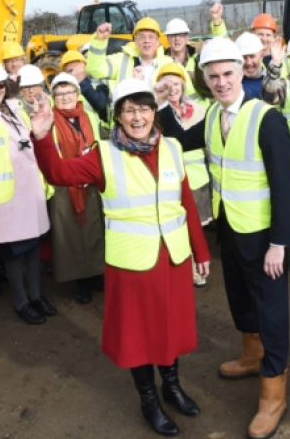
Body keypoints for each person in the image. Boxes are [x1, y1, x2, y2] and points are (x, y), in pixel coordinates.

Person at [30, 79, 210, 437]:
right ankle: (149, 401)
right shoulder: (104, 154)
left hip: (172, 258)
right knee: (139, 335)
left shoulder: (172, 147)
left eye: (143, 108)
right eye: (129, 110)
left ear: (154, 112)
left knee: (170, 327)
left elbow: (185, 201)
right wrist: (41, 136)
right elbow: (59, 174)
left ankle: (171, 386)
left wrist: (200, 249)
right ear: (118, 116)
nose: (137, 116)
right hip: (132, 264)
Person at [155, 37, 290, 439]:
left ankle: (273, 394)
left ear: (240, 72)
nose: (221, 82)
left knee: (271, 313)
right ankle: (252, 355)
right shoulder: (214, 116)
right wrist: (160, 102)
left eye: (227, 74)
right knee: (240, 300)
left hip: (264, 238)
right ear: (205, 79)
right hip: (230, 231)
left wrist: (279, 244)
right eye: (213, 76)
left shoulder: (266, 118)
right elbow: (178, 140)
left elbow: (284, 187)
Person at [0, 65, 56, 325]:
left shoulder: (15, 108)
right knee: (14, 253)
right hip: (6, 197)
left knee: (33, 247)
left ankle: (36, 295)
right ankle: (21, 302)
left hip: (29, 190)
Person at [46, 72, 106, 303]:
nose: (65, 97)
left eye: (69, 92)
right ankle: (82, 281)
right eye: (59, 94)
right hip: (66, 186)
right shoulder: (49, 120)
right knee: (72, 236)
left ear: (77, 93)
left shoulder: (89, 115)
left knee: (94, 233)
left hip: (91, 183)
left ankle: (97, 273)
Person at [159, 62, 211, 287]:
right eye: (167, 83)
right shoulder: (155, 112)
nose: (173, 87)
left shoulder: (199, 110)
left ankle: (197, 266)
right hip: (170, 180)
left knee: (196, 227)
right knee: (177, 226)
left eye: (176, 82)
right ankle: (185, 269)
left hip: (197, 178)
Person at [86, 17, 173, 95]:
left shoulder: (169, 63)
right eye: (142, 37)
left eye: (151, 37)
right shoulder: (122, 60)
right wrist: (99, 40)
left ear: (158, 42)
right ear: (135, 41)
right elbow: (96, 69)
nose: (146, 40)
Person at [60, 50, 110, 123]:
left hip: (97, 128)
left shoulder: (100, 84)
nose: (75, 73)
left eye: (78, 69)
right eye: (70, 71)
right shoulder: (61, 92)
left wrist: (82, 81)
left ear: (85, 67)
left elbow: (100, 105)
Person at [236, 31, 282, 100]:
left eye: (252, 56)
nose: (248, 62)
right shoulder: (234, 84)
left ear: (261, 56)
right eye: (244, 57)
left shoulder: (274, 79)